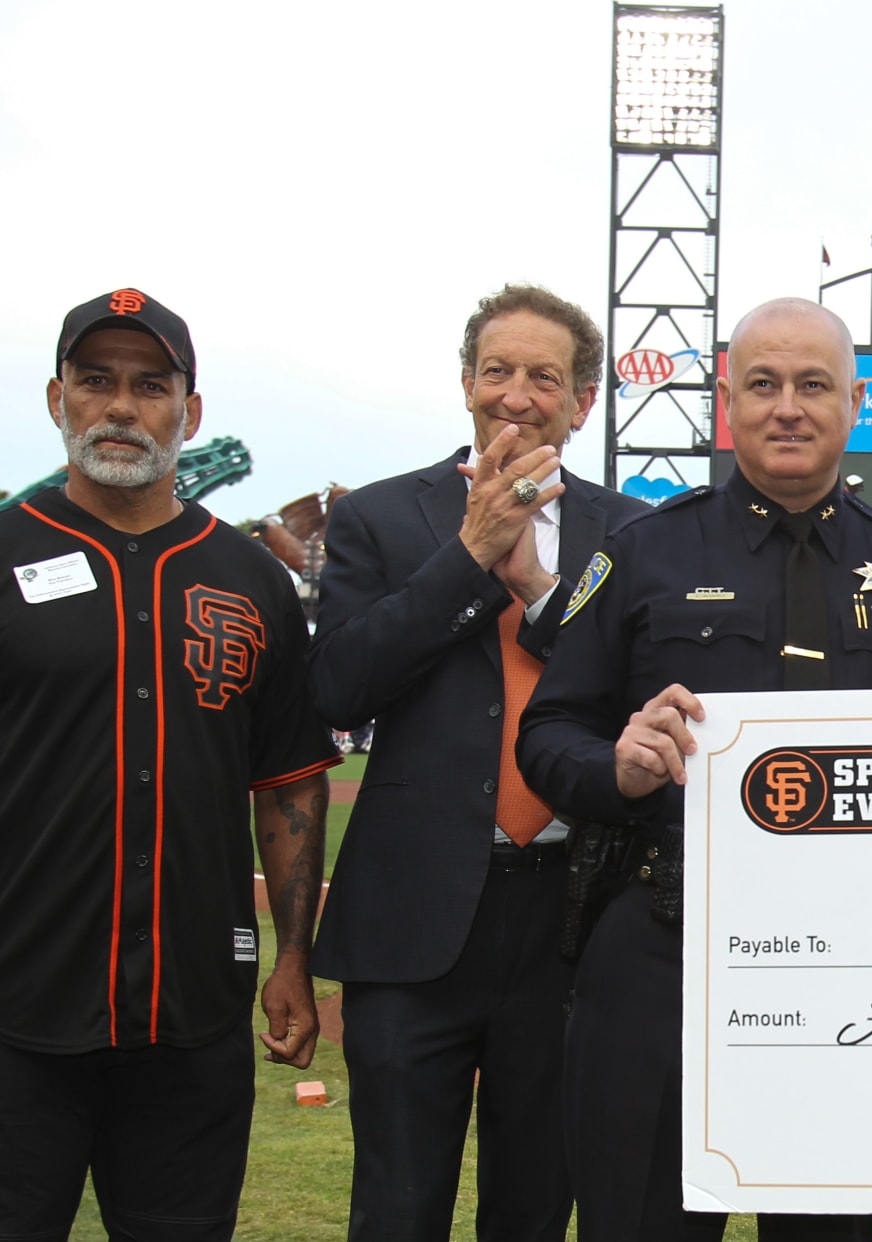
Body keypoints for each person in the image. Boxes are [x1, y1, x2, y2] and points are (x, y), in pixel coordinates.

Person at [518, 298, 872, 1242]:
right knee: (638, 1221)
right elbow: (549, 734)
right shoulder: (641, 551)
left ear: (854, 402)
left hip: (850, 960)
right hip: (662, 933)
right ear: (727, 402)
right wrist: (619, 766)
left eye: (811, 386)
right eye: (762, 385)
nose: (787, 408)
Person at [307, 283, 648, 1241]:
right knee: (398, 1207)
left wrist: (539, 591)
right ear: (464, 383)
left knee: (537, 1206)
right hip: (412, 922)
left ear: (583, 403)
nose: (517, 394)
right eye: (497, 370)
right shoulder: (380, 518)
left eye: (546, 377)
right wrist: (469, 554)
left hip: (571, 917)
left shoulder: (632, 534)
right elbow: (338, 688)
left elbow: (631, 696)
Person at [0, 289, 338, 1239]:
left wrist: (296, 962)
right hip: (20, 1008)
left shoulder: (250, 577)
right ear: (56, 398)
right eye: (95, 380)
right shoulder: (6, 554)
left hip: (192, 1013)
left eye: (151, 386)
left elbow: (289, 786)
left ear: (188, 414)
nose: (121, 406)